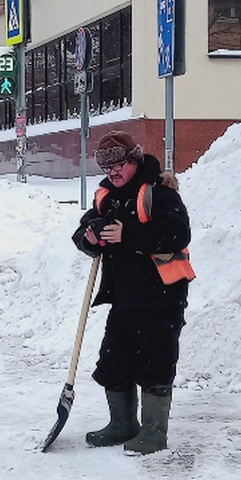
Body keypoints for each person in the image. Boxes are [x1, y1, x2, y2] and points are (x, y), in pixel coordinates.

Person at [71, 131, 193, 455]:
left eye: (119, 165)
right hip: (125, 297)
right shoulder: (107, 196)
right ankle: (122, 424)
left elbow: (178, 232)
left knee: (156, 364)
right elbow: (81, 233)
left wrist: (130, 233)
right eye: (107, 168)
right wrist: (90, 237)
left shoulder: (158, 192)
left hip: (161, 296)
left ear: (134, 160)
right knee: (114, 360)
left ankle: (154, 433)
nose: (113, 173)